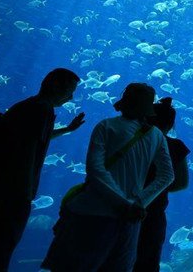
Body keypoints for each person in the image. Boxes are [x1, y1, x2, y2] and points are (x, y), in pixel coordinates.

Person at [41, 83, 174, 272]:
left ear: (125, 100)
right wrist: (138, 203)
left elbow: (95, 169)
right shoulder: (156, 135)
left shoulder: (106, 126)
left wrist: (123, 203)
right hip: (129, 220)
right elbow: (167, 175)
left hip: (94, 212)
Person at [0, 68, 85, 272]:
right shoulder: (41, 110)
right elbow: (26, 153)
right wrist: (24, 197)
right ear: (55, 85)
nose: (71, 97)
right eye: (69, 91)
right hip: (8, 195)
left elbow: (36, 138)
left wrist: (67, 129)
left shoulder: (30, 106)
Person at [133, 97, 190, 272]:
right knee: (147, 261)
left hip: (119, 203)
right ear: (171, 124)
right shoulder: (175, 146)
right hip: (153, 211)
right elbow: (181, 183)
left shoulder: (131, 141)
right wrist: (156, 189)